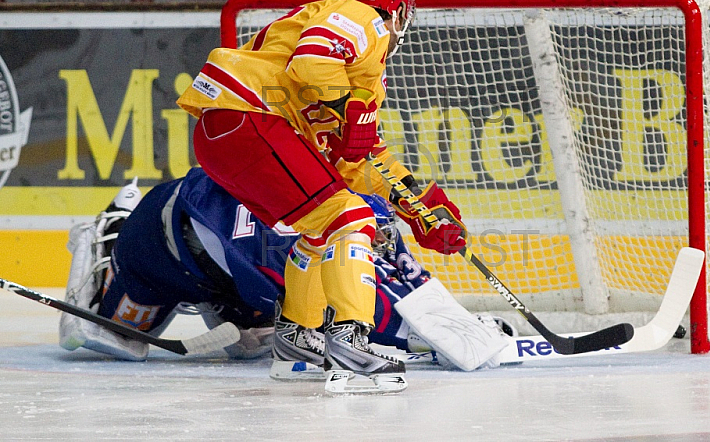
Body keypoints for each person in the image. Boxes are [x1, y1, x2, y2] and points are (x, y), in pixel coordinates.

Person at [174, 0, 468, 382]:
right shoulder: (362, 18)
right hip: (251, 119)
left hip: (231, 131)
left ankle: (296, 341)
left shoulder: (359, 70)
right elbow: (310, 62)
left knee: (321, 228)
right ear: (400, 9)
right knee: (352, 220)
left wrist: (418, 207)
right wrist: (349, 109)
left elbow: (356, 157)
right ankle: (350, 342)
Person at [59, 170, 511, 377]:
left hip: (227, 270)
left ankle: (224, 301)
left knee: (259, 340)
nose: (375, 248)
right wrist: (427, 340)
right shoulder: (287, 243)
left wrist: (459, 323)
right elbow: (362, 311)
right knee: (111, 338)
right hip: (158, 247)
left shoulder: (341, 215)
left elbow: (398, 272)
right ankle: (113, 228)